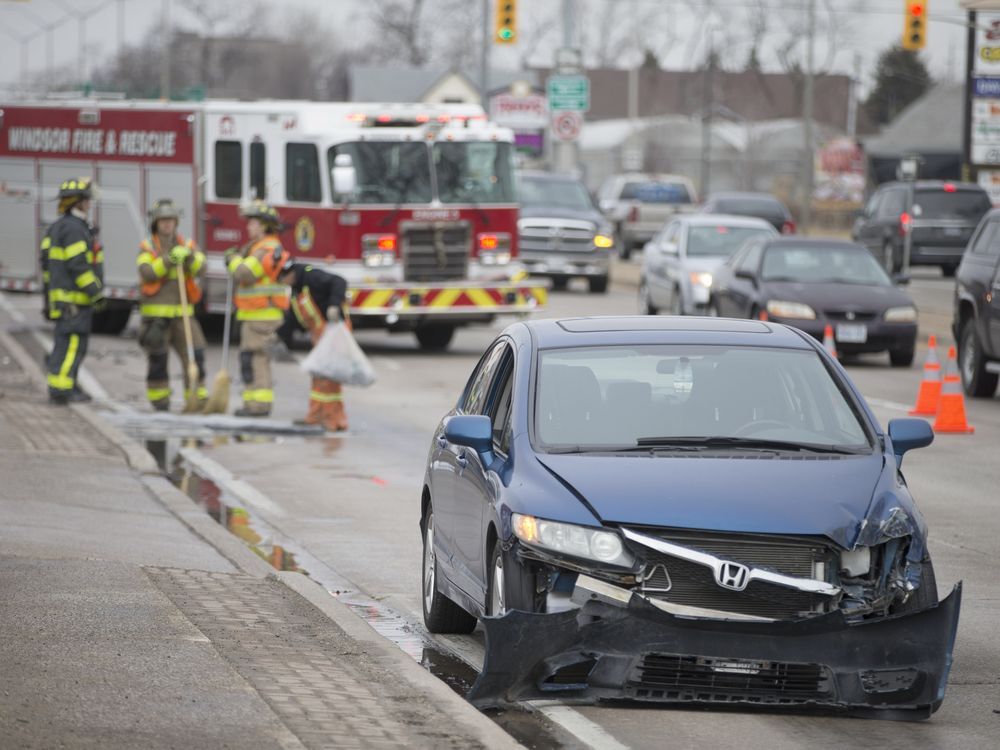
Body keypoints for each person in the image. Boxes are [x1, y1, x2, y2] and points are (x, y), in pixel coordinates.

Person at [136, 199, 208, 412]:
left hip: (183, 315)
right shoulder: (147, 246)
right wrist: (168, 260)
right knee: (158, 359)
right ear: (156, 223)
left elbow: (202, 267)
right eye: (163, 221)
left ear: (176, 222)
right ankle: (160, 401)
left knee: (196, 354)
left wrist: (189, 258)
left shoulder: (187, 245)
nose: (167, 224)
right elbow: (147, 272)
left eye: (170, 220)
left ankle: (196, 399)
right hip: (156, 317)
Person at [225, 200, 290, 417]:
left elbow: (245, 274)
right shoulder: (260, 247)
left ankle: (259, 405)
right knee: (251, 359)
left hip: (261, 315)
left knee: (256, 359)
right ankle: (253, 403)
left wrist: (233, 260)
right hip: (257, 314)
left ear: (263, 225)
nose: (248, 227)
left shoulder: (265, 249)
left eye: (252, 223)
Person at [42, 177, 104, 404]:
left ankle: (66, 386)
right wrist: (95, 292)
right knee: (73, 346)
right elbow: (78, 265)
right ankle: (62, 390)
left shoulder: (59, 227)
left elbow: (46, 263)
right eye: (86, 200)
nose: (89, 204)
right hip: (75, 302)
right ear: (77, 202)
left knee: (65, 344)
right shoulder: (74, 229)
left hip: (63, 300)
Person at [275, 259, 350, 431]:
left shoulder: (311, 276)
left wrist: (333, 305)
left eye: (282, 279)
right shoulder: (297, 291)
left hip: (335, 333)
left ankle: (333, 420)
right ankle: (317, 417)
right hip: (322, 338)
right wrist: (279, 335)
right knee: (319, 377)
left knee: (329, 379)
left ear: (290, 274)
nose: (283, 284)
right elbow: (293, 318)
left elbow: (339, 281)